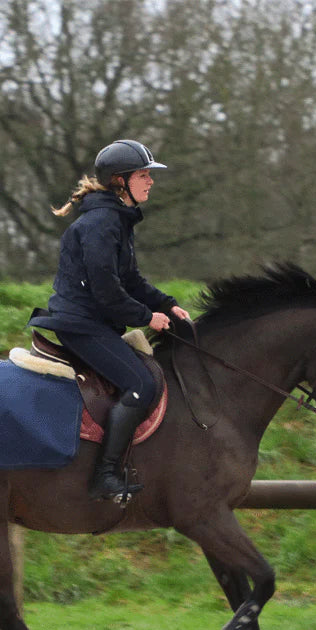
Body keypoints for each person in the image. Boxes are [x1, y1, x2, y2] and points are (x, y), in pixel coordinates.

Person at [29, 139, 190, 503]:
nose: (151, 182)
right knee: (140, 385)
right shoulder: (102, 223)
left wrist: (168, 305)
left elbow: (130, 280)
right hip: (82, 326)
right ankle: (105, 475)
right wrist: (148, 317)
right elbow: (107, 292)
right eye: (144, 175)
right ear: (121, 181)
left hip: (92, 322)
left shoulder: (115, 220)